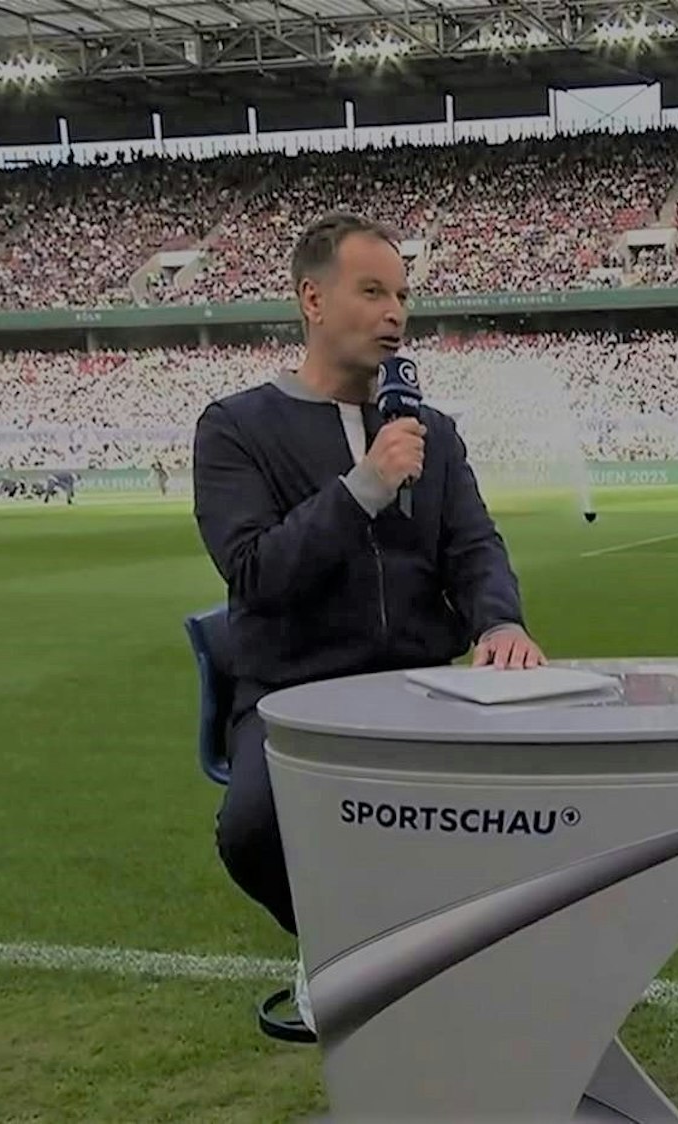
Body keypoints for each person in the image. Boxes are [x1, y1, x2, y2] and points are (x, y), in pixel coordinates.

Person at [191, 212, 544, 1034]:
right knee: (252, 830)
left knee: (536, 805)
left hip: (419, 683)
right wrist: (361, 489)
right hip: (292, 690)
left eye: (403, 295)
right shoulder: (235, 428)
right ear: (312, 300)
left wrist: (499, 624)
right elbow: (252, 572)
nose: (396, 313)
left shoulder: (435, 432)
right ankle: (336, 945)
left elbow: (474, 546)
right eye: (373, 291)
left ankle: (479, 964)